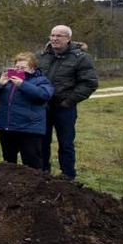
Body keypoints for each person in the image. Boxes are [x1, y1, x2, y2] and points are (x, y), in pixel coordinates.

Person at [36, 25, 99, 181]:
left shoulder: (81, 58)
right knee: (41, 142)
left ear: (68, 39)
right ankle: (43, 174)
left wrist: (68, 101)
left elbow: (89, 83)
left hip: (64, 108)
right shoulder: (41, 56)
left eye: (59, 36)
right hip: (42, 107)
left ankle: (68, 177)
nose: (54, 38)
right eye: (52, 35)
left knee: (66, 144)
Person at [0, 52, 54, 169]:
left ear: (32, 68)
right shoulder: (9, 80)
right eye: (17, 67)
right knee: (8, 162)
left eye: (23, 68)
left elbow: (43, 96)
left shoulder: (40, 80)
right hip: (7, 126)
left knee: (31, 161)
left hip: (29, 127)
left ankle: (35, 184)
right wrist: (0, 84)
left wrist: (22, 85)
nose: (19, 70)